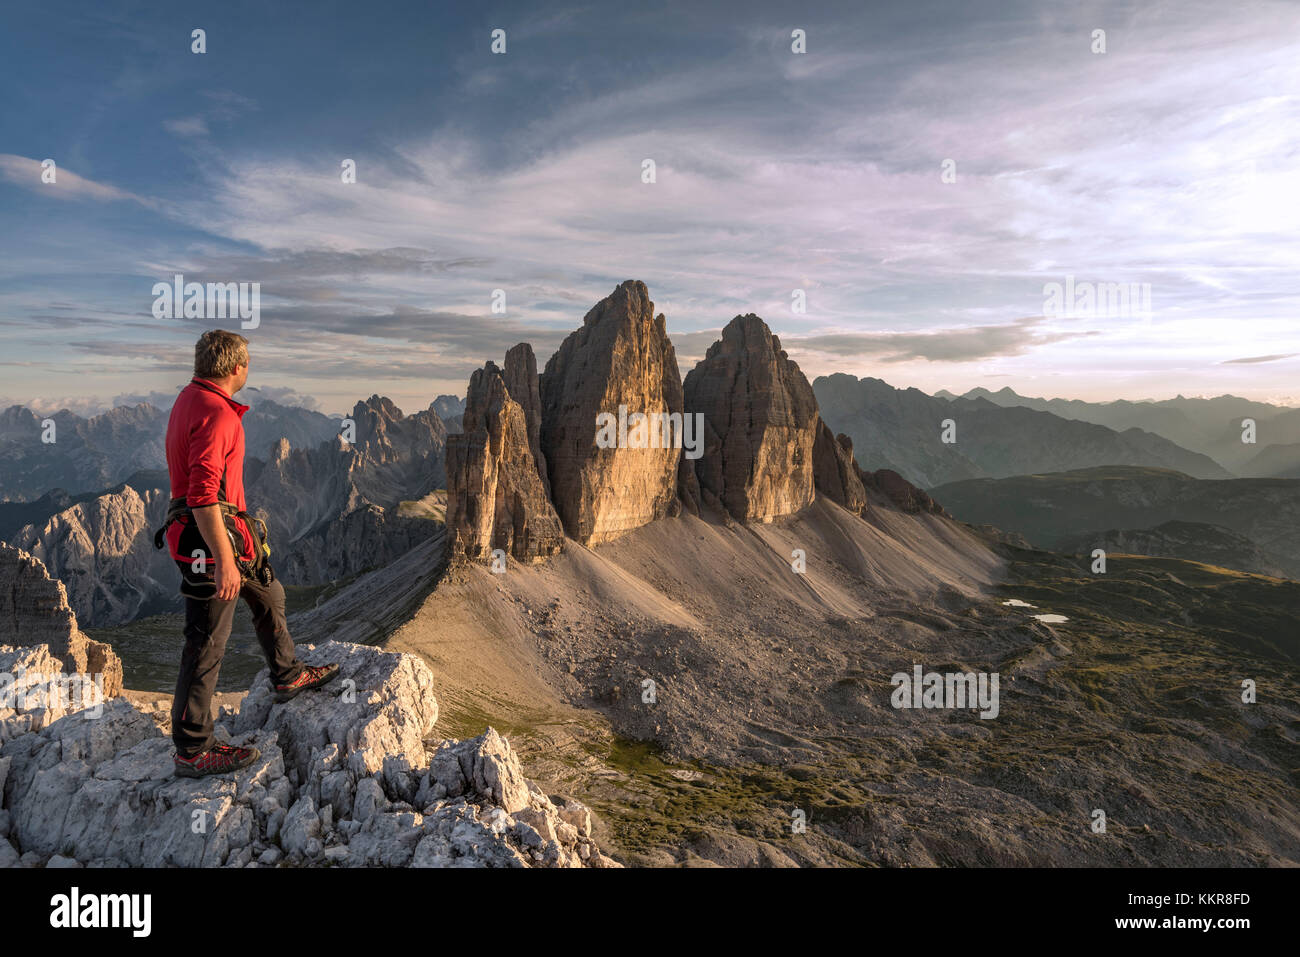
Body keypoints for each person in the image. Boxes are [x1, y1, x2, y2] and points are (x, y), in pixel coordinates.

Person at [158, 330, 338, 778]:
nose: (249, 368)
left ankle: (287, 674)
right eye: (248, 361)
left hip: (226, 537)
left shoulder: (189, 398)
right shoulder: (220, 415)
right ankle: (193, 750)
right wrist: (222, 560)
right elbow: (201, 494)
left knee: (269, 594)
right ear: (236, 367)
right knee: (205, 642)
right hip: (210, 541)